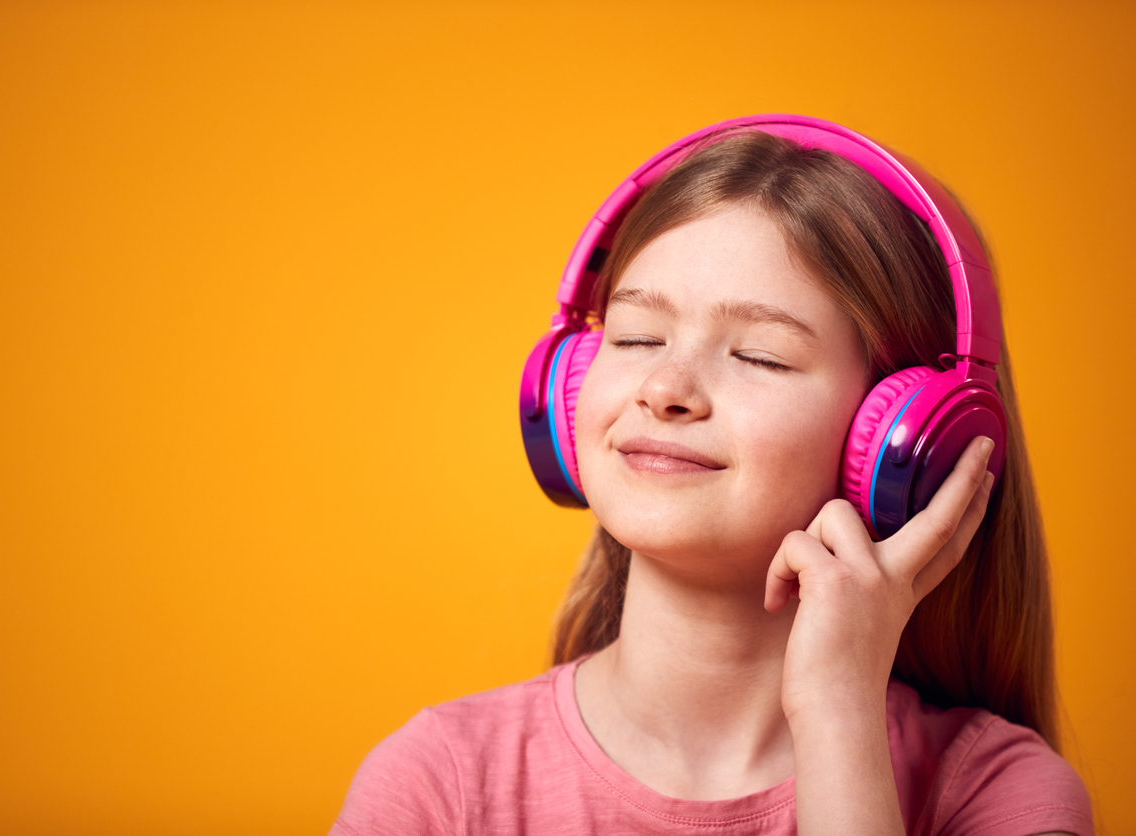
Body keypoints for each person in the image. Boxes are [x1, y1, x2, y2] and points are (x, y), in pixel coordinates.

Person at [331, 117, 1093, 835]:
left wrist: (837, 714)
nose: (665, 388)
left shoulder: (995, 791)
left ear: (904, 435)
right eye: (634, 337)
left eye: (758, 355)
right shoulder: (441, 781)